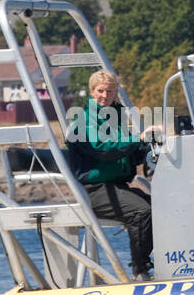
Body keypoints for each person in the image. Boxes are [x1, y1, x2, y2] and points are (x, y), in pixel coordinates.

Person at [67, 69, 161, 281]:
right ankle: (140, 270)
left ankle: (159, 265)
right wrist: (137, 139)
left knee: (159, 208)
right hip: (94, 190)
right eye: (100, 90)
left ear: (115, 93)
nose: (104, 95)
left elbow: (126, 154)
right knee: (142, 211)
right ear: (91, 92)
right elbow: (104, 149)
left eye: (109, 91)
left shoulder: (116, 119)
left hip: (116, 187)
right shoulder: (83, 121)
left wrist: (147, 144)